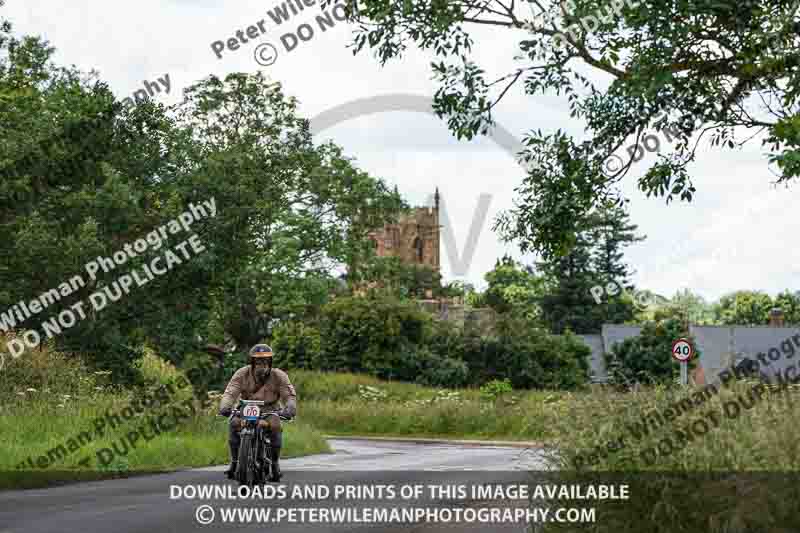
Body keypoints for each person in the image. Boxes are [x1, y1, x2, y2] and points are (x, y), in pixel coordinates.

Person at [218, 344, 297, 481]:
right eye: (259, 361)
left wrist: (290, 408)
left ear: (270, 362)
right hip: (246, 408)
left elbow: (288, 395)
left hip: (270, 409)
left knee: (276, 426)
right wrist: (225, 406)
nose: (262, 364)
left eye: (266, 360)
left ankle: (274, 464)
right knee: (233, 423)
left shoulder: (279, 376)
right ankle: (235, 462)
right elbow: (230, 392)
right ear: (252, 362)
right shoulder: (242, 373)